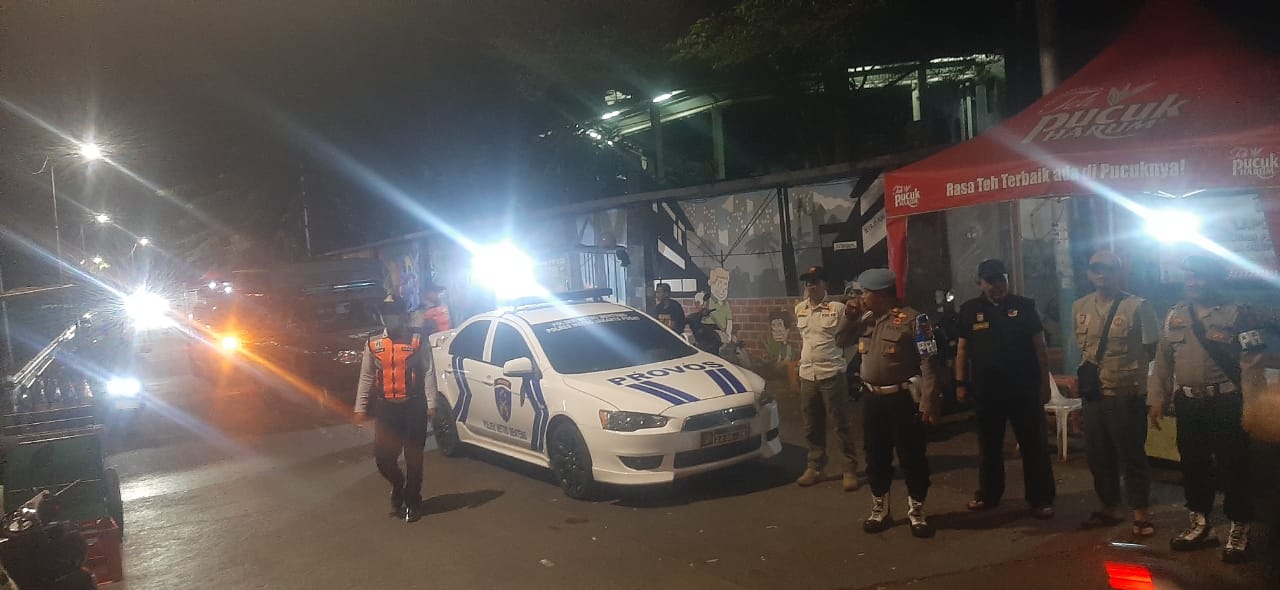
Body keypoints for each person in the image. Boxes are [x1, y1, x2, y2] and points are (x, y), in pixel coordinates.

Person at [1149, 255, 1266, 563]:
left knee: (1233, 466)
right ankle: (1201, 524)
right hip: (1188, 403)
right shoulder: (1174, 315)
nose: (1193, 281)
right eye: (1189, 275)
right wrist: (1157, 398)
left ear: (1216, 278)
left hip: (1226, 402)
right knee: (1193, 465)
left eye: (1199, 276)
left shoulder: (1239, 314)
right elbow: (1163, 361)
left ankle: (1239, 527)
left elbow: (1252, 366)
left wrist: (1252, 408)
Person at [955, 259, 1056, 519]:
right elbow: (962, 350)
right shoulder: (970, 310)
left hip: (1024, 390)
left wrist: (1045, 384)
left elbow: (1040, 348)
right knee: (989, 447)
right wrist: (960, 383)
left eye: (1001, 279)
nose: (997, 285)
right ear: (980, 283)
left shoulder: (1024, 306)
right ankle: (989, 494)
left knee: (1034, 446)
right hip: (987, 392)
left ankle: (1041, 499)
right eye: (990, 281)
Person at [1072, 251, 1160, 536]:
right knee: (1098, 455)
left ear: (1119, 273)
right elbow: (1084, 351)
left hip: (1125, 392)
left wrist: (1150, 389)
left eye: (1109, 268)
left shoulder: (1137, 307)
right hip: (1094, 394)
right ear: (1089, 273)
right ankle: (1110, 507)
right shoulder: (1080, 307)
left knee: (1131, 454)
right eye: (1096, 267)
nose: (1102, 273)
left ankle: (1141, 513)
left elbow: (1153, 350)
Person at [855, 268, 940, 538]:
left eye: (866, 292)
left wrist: (928, 401)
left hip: (903, 399)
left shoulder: (916, 320)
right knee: (875, 456)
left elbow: (929, 363)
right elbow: (839, 339)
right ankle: (880, 508)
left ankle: (917, 511)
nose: (862, 297)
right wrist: (848, 316)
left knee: (912, 456)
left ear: (882, 294)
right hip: (872, 399)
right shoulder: (865, 319)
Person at [353, 296, 437, 523]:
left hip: (414, 407)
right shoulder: (373, 342)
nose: (389, 317)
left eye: (393, 313)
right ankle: (398, 484)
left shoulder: (418, 339)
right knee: (383, 458)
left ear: (403, 315)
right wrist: (360, 408)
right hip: (386, 409)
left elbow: (428, 371)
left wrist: (431, 403)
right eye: (385, 313)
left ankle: (413, 502)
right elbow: (366, 376)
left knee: (414, 458)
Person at [793, 266, 860, 492]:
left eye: (815, 281)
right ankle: (815, 467)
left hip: (832, 373)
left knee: (840, 424)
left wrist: (841, 363)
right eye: (807, 282)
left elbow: (850, 342)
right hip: (807, 374)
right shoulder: (800, 309)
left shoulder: (838, 309)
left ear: (825, 284)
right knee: (811, 425)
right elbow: (804, 339)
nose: (810, 286)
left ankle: (849, 469)